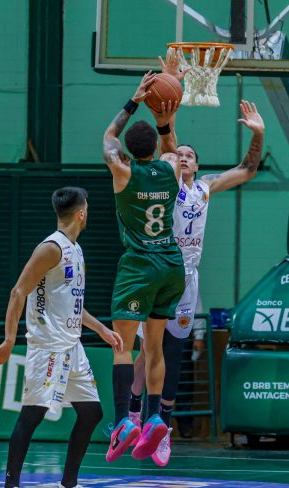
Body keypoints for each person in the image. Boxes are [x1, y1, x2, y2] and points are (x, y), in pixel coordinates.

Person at [130, 100, 265, 466]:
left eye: (190, 156)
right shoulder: (169, 180)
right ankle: (132, 415)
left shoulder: (204, 188)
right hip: (160, 271)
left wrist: (258, 134)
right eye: (181, 155)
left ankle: (162, 429)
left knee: (173, 355)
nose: (184, 158)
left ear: (198, 165)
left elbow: (248, 169)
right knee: (146, 351)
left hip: (188, 280)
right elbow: (168, 145)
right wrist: (168, 118)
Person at [0, 187, 120, 488]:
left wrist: (101, 328)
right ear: (81, 213)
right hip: (47, 346)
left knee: (92, 412)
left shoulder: (76, 248)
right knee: (32, 415)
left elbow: (71, 303)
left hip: (71, 345)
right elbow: (18, 291)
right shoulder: (50, 248)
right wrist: (9, 339)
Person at [102, 72, 185, 463]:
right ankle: (153, 418)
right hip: (171, 262)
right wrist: (165, 120)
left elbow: (109, 137)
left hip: (139, 264)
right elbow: (172, 146)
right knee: (154, 347)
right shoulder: (171, 168)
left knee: (122, 345)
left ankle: (123, 421)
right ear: (154, 146)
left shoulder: (123, 172)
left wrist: (133, 101)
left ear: (128, 152)